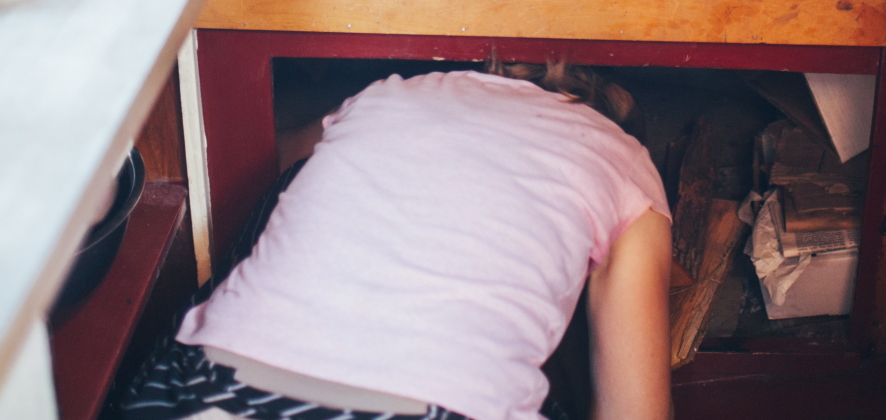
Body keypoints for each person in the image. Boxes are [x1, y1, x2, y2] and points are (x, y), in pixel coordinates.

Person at [121, 61, 673, 420]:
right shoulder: (628, 164)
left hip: (212, 380)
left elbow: (283, 155)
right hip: (439, 405)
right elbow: (634, 411)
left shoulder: (391, 94)